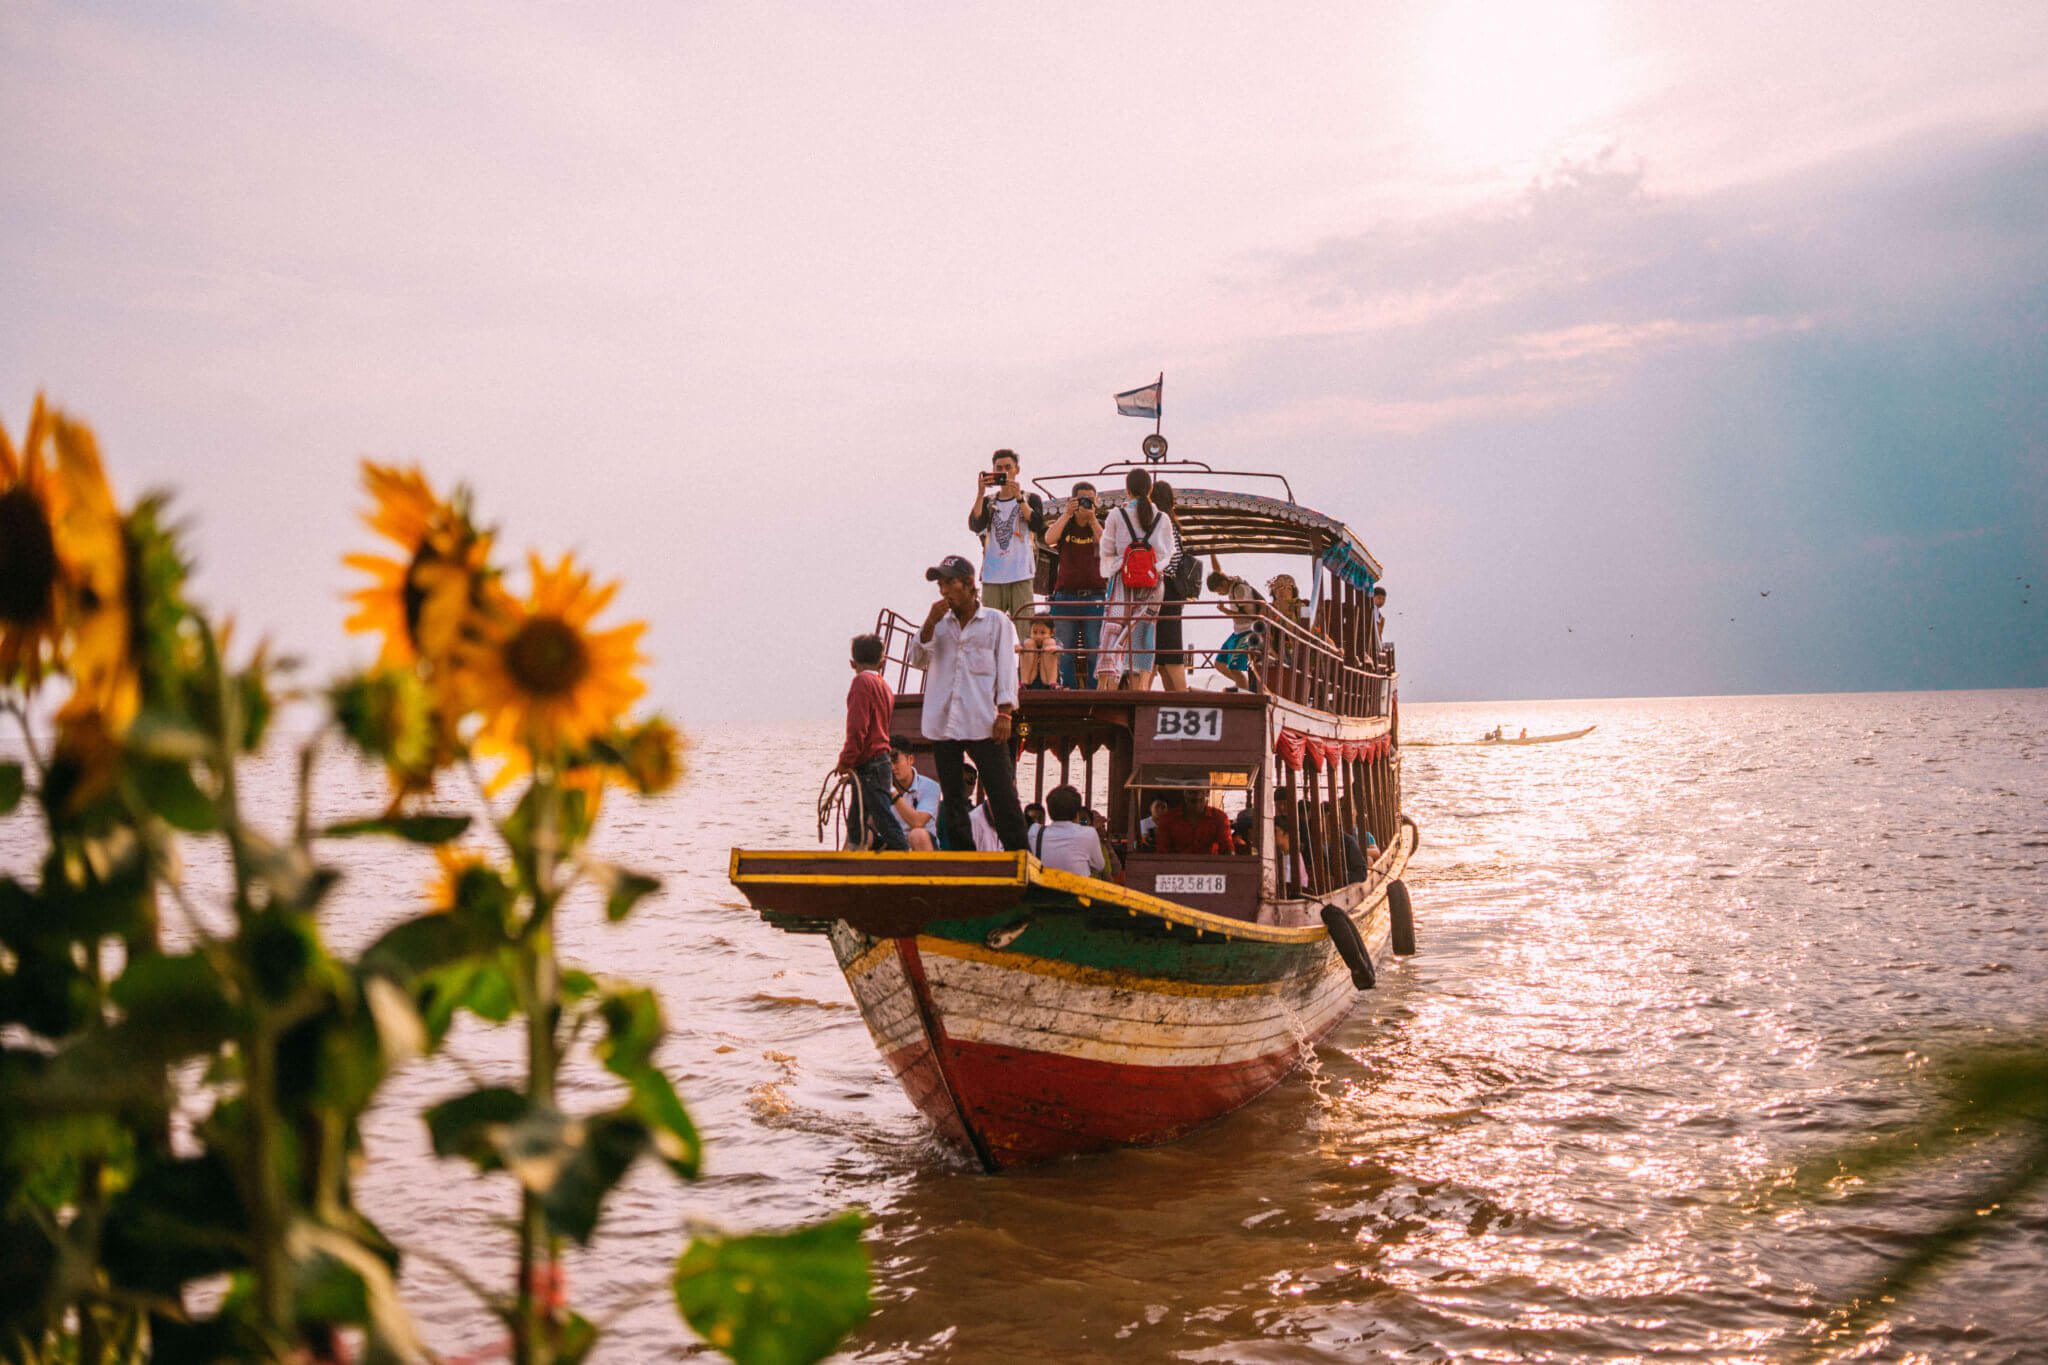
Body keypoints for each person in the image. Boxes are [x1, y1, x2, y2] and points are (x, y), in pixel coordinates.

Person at [914, 554, 1029, 852]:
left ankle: (1021, 855)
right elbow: (917, 659)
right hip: (943, 722)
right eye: (940, 585)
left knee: (1002, 793)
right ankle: (964, 858)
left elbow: (1006, 668)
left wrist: (1005, 713)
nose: (943, 591)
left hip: (983, 721)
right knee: (952, 797)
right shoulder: (938, 624)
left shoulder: (996, 622)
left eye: (948, 583)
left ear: (968, 584)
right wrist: (929, 622)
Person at [1096, 468, 1177, 690]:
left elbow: (1107, 549)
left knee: (1113, 629)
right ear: (1150, 489)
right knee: (1144, 631)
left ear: (1127, 489)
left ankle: (1106, 686)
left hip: (1123, 581)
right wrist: (1149, 569)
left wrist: (1118, 567)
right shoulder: (1163, 518)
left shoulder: (1116, 515)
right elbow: (1166, 554)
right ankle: (1141, 687)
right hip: (1153, 584)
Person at [966, 449, 1046, 648]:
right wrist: (980, 493)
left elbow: (1037, 524)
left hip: (1020, 574)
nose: (1004, 472)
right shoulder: (988, 501)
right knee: (988, 635)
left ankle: (1027, 678)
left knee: (1026, 634)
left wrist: (1019, 498)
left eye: (1008, 468)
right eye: (999, 468)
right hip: (993, 576)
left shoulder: (1030, 498)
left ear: (1017, 470)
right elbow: (975, 524)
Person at [836, 634, 908, 851]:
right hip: (879, 762)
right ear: (882, 662)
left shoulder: (860, 683)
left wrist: (845, 761)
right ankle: (854, 863)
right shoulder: (884, 686)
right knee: (857, 819)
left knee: (883, 817)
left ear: (852, 663)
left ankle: (906, 858)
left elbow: (858, 729)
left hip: (869, 764)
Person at [1042, 480, 1108, 688]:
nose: (1086, 503)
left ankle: (1093, 691)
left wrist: (1093, 519)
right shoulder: (1066, 525)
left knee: (1095, 649)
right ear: (1073, 501)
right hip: (1065, 596)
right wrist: (1066, 513)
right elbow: (1049, 538)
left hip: (1095, 596)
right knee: (1064, 649)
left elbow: (1107, 545)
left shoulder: (1101, 526)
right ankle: (1067, 688)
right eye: (1082, 500)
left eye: (1090, 499)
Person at [1150, 481, 1192, 691]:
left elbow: (1169, 561)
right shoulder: (1172, 523)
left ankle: (1179, 693)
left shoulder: (1157, 522)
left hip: (1160, 587)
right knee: (1165, 648)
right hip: (1172, 591)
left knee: (1162, 647)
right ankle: (1176, 693)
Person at [1028, 784, 1108, 878]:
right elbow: (1100, 866)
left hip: (1044, 889)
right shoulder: (1089, 833)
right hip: (1078, 890)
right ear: (1077, 813)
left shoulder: (1035, 832)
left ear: (1049, 812)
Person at [1209, 569, 1266, 692]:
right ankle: (1242, 684)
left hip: (1248, 631)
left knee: (1234, 667)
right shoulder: (1232, 587)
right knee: (1220, 664)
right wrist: (1212, 551)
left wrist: (1224, 610)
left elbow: (1244, 615)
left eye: (1219, 590)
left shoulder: (1239, 589)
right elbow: (1217, 570)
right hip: (1238, 631)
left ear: (1224, 583)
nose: (1219, 594)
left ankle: (1244, 691)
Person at [889, 744, 942, 851]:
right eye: (887, 763)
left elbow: (918, 822)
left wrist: (892, 792)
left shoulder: (930, 786)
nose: (892, 767)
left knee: (917, 834)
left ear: (910, 759)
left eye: (895, 761)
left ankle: (928, 868)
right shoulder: (879, 786)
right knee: (862, 833)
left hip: (921, 843)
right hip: (891, 842)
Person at [1154, 787, 1232, 855]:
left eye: (1200, 791)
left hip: (1211, 868)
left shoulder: (1219, 817)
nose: (1196, 796)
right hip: (1176, 868)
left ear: (1207, 792)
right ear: (1184, 792)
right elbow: (1162, 852)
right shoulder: (1168, 818)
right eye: (1191, 791)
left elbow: (1227, 849)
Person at [1018, 613, 1061, 689]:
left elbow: (1061, 649)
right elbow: (1019, 647)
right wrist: (1019, 648)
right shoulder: (1027, 641)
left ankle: (1053, 684)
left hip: (1048, 679)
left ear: (1052, 633)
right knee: (1028, 643)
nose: (1038, 636)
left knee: (1050, 643)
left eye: (1043, 633)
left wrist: (1055, 649)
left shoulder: (1054, 641)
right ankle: (1023, 683)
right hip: (1030, 679)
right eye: (1034, 632)